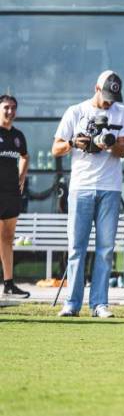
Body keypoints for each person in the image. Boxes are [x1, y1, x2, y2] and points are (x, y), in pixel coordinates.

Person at [52, 71, 124, 319]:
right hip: (81, 187)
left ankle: (100, 304)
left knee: (106, 249)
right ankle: (72, 303)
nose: (109, 102)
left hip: (110, 187)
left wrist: (108, 143)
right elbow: (56, 148)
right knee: (76, 247)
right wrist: (74, 143)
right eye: (106, 96)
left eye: (113, 97)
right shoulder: (75, 111)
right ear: (96, 87)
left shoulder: (122, 112)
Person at [0, 94, 30, 304]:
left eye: (13, 108)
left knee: (8, 237)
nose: (9, 111)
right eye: (5, 108)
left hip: (11, 193)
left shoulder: (18, 135)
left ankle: (9, 284)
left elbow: (25, 156)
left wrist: (21, 176)